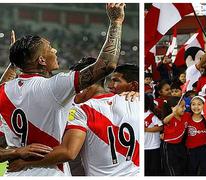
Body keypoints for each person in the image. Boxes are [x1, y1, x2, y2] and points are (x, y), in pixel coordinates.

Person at [0, 3, 125, 176]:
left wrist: (15, 152)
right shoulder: (55, 86)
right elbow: (107, 65)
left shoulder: (3, 91)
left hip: (12, 174)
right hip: (49, 173)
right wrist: (116, 22)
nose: (55, 50)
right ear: (42, 61)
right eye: (50, 48)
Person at [8, 62, 140, 176]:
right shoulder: (136, 100)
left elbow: (68, 152)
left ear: (85, 85)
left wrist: (25, 162)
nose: (70, 91)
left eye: (73, 86)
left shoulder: (81, 110)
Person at [161, 96, 188, 176]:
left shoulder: (186, 116)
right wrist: (173, 113)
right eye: (182, 106)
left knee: (182, 166)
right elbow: (164, 121)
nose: (185, 108)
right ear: (173, 108)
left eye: (185, 106)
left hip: (180, 145)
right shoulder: (169, 118)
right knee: (172, 169)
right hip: (169, 147)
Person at [185, 96, 206, 176]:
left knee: (205, 170)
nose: (196, 107)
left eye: (199, 104)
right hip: (190, 150)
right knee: (191, 171)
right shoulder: (187, 117)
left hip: (204, 149)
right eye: (193, 104)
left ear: (204, 106)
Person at [144, 94, 163, 176]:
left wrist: (146, 129)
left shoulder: (152, 114)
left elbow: (160, 127)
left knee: (154, 170)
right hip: (142, 147)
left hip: (153, 146)